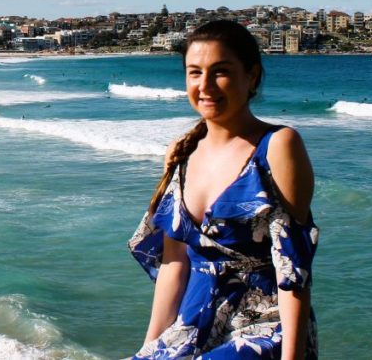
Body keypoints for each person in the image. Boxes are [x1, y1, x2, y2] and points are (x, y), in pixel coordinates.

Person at [128, 20, 318, 359]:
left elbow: (294, 268)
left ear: (252, 77)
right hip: (190, 326)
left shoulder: (278, 146)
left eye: (220, 72)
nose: (205, 85)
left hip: (262, 329)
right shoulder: (181, 153)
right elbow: (174, 263)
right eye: (194, 72)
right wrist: (149, 346)